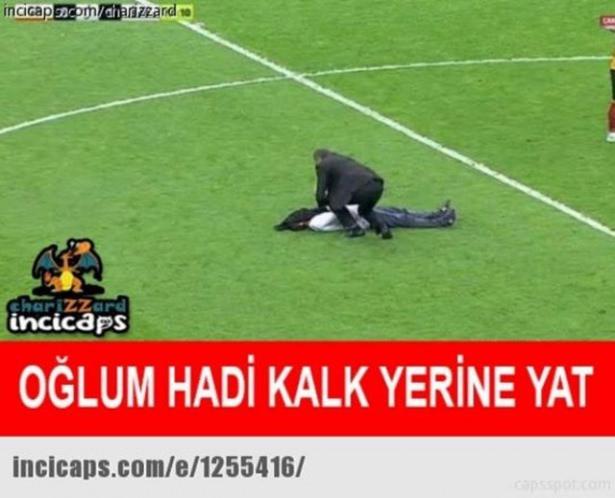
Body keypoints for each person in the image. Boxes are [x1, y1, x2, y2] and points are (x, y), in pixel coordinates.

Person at [313, 149, 392, 239]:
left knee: (335, 204)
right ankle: (383, 228)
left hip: (360, 188)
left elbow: (320, 192)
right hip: (376, 185)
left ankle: (353, 228)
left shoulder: (323, 164)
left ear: (318, 159)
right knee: (365, 210)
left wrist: (321, 207)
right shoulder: (343, 160)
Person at [275, 201, 456, 233]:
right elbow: (338, 211)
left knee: (400, 212)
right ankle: (442, 221)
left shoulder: (316, 219)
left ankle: (435, 214)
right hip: (363, 218)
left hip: (362, 211)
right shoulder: (316, 223)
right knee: (402, 218)